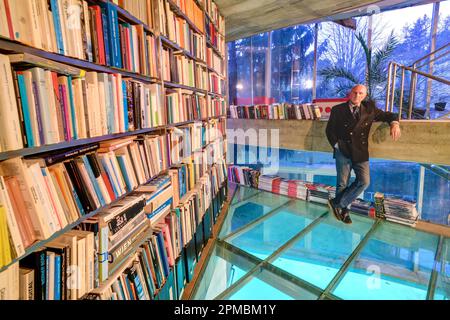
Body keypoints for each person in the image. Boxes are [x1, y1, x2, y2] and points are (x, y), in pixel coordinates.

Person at [325, 84, 401, 224]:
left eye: (361, 93)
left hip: (360, 151)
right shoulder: (338, 109)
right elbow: (329, 131)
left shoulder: (369, 109)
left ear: (365, 95)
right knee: (342, 183)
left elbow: (389, 115)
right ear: (350, 93)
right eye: (355, 92)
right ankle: (344, 211)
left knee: (364, 181)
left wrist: (394, 123)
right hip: (343, 150)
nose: (357, 96)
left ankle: (336, 203)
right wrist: (337, 146)